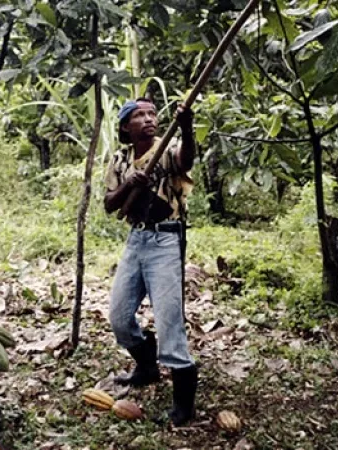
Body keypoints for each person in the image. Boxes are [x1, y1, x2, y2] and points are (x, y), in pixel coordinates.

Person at [103, 97, 197, 426]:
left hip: (166, 239)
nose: (148, 119)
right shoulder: (120, 159)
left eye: (152, 113)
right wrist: (129, 183)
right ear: (126, 126)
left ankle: (184, 406)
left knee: (170, 320)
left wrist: (186, 128)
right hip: (136, 239)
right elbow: (109, 205)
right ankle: (146, 366)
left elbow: (185, 162)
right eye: (138, 115)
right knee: (118, 317)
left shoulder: (167, 147)